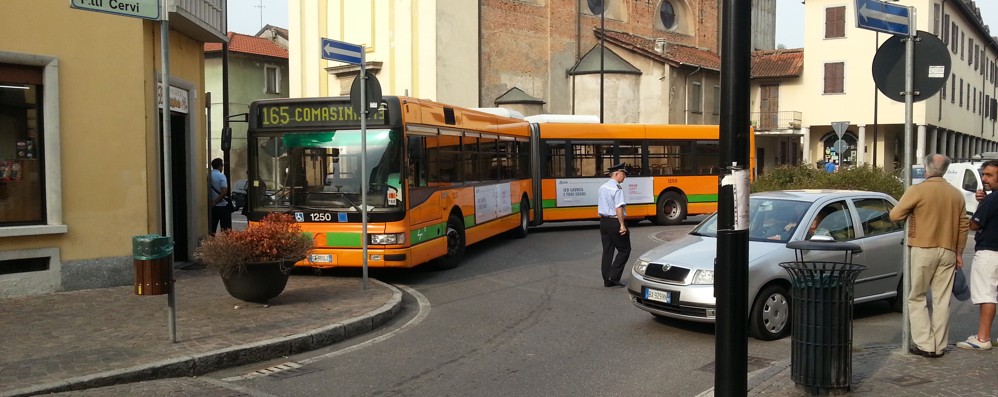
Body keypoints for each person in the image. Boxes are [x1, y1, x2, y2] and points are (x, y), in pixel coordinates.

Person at [889, 154, 970, 358]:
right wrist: (959, 252)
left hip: (923, 248)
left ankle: (925, 344)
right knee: (942, 300)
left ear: (926, 168)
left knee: (916, 297)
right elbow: (963, 226)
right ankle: (940, 345)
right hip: (949, 250)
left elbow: (894, 215)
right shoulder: (956, 194)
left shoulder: (917, 190)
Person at [957, 159, 998, 350]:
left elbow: (975, 224)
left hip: (989, 252)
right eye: (983, 174)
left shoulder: (992, 199)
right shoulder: (990, 198)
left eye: (989, 175)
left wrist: (980, 205)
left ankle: (982, 338)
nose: (984, 178)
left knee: (987, 295)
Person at [598, 163, 630, 288]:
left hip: (604, 222)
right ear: (616, 174)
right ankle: (613, 276)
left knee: (607, 250)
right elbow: (618, 208)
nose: (625, 177)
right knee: (625, 249)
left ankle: (607, 279)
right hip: (614, 221)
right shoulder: (617, 189)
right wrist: (622, 225)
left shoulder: (603, 187)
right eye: (623, 174)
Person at [209, 158, 232, 234]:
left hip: (211, 206)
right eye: (222, 165)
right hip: (222, 206)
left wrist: (212, 203)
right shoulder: (221, 176)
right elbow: (224, 192)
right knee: (225, 229)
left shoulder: (208, 175)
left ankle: (210, 243)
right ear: (220, 166)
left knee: (212, 228)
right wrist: (215, 202)